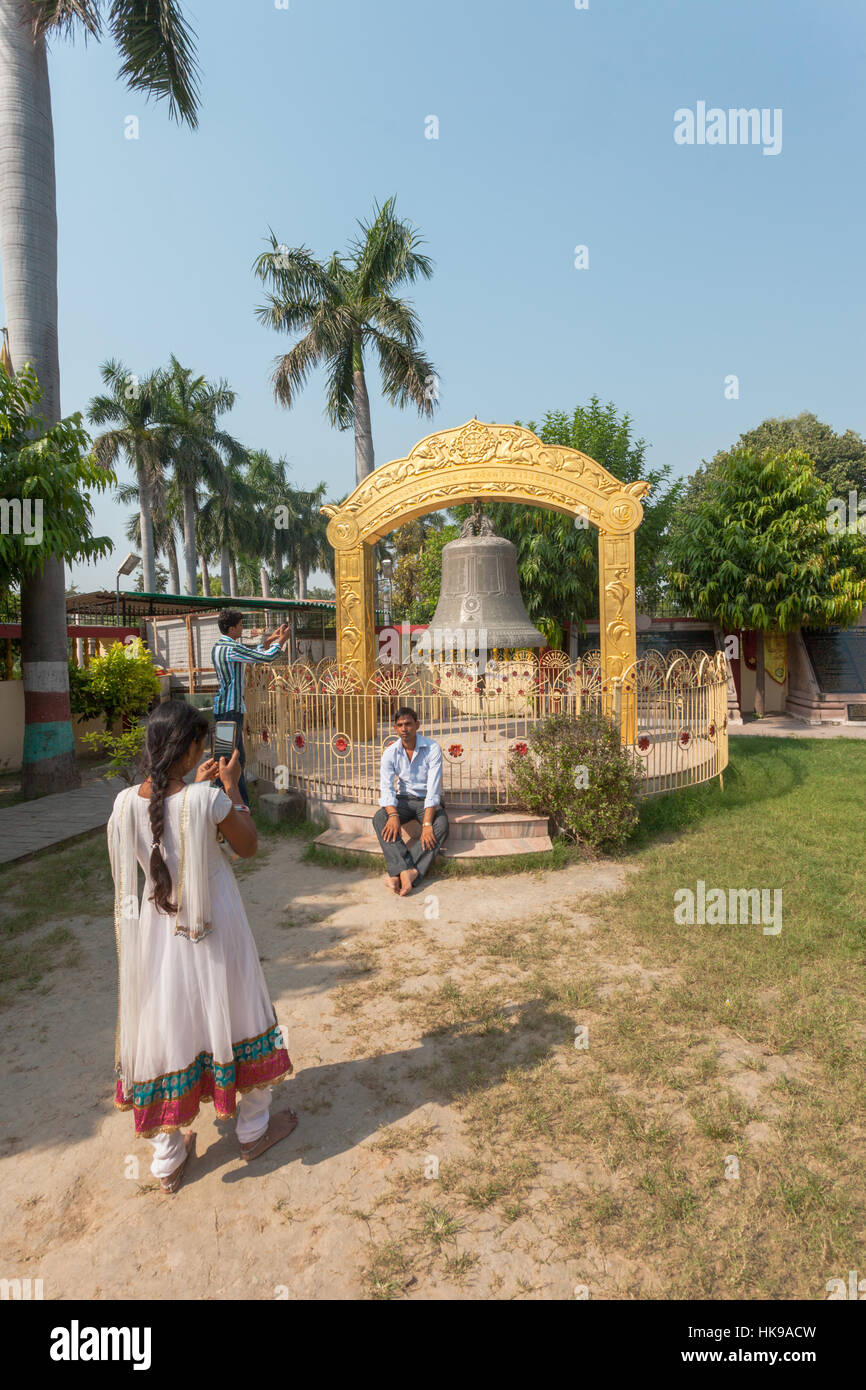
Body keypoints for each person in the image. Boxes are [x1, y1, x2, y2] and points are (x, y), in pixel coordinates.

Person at [107, 700, 297, 1194]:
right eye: (199, 743)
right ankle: (253, 1127)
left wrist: (199, 789)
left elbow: (152, 845)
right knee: (238, 1009)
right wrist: (230, 788)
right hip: (214, 925)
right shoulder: (204, 800)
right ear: (191, 749)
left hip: (157, 932)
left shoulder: (125, 804)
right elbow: (249, 844)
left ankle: (167, 1158)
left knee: (170, 1022)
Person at [211, 609, 290, 806]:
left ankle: (235, 805)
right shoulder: (231, 649)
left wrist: (272, 638)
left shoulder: (221, 646)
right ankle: (227, 806)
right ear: (231, 628)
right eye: (239, 625)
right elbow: (264, 658)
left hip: (226, 710)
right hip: (230, 711)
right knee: (229, 761)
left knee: (232, 759)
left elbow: (253, 652)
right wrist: (281, 641)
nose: (242, 628)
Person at [373, 706, 449, 896]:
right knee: (379, 818)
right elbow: (386, 787)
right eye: (399, 725)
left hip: (427, 802)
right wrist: (392, 814)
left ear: (417, 725)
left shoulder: (432, 748)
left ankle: (399, 872)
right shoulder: (390, 752)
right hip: (404, 800)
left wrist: (427, 823)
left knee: (441, 825)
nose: (404, 729)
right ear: (394, 728)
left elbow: (433, 789)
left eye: (408, 724)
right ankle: (409, 870)